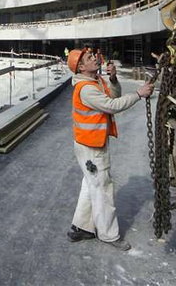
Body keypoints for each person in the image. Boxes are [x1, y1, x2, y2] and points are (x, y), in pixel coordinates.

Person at [65, 48, 154, 251]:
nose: (95, 58)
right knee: (103, 189)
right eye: (89, 58)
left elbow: (114, 94)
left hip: (91, 143)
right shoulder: (86, 89)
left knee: (91, 185)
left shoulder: (96, 80)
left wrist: (113, 79)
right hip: (91, 147)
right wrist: (139, 94)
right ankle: (108, 235)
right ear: (80, 67)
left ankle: (81, 227)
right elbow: (112, 105)